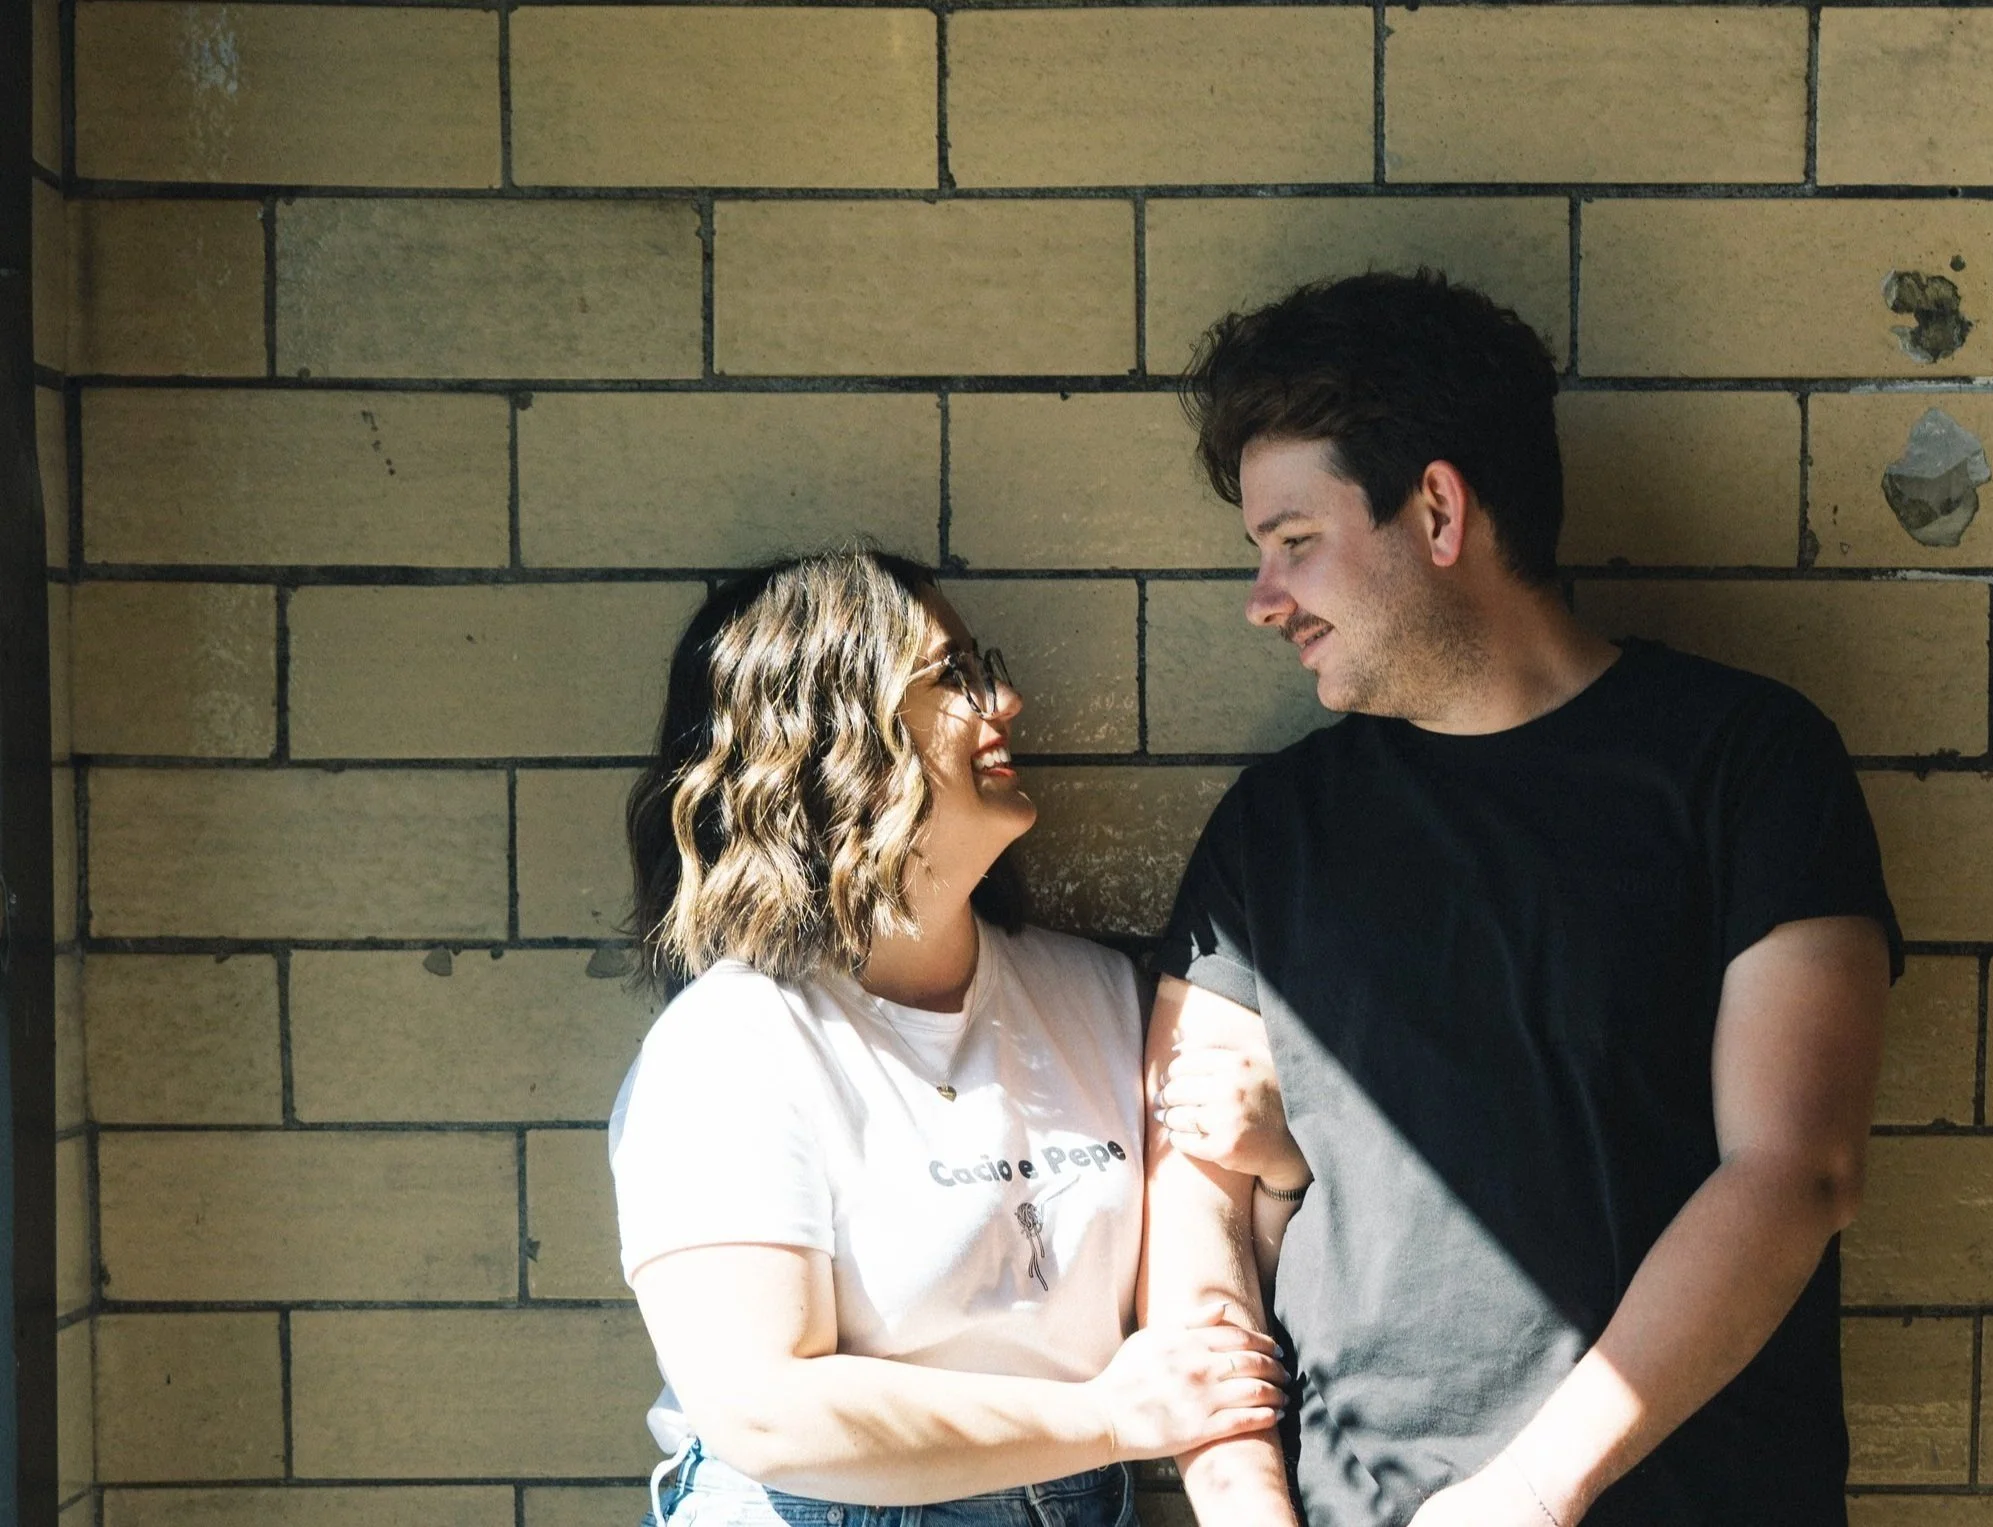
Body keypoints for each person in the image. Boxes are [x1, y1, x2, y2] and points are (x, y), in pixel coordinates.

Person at [1140, 272, 1903, 1527]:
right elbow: (1196, 1205)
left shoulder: (1747, 765)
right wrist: (1244, 1508)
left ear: (1439, 511)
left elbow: (1796, 1170)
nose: (1263, 601)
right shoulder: (1272, 832)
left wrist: (1533, 1496)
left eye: (1294, 542)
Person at [606, 549, 1300, 1527]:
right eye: (953, 676)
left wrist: (1278, 1167)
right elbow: (762, 1410)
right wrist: (1107, 1418)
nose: (1004, 702)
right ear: (832, 734)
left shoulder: (1096, 995)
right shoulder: (732, 1042)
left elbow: (1204, 1323)